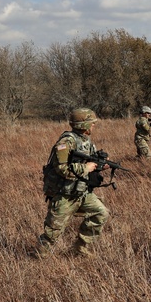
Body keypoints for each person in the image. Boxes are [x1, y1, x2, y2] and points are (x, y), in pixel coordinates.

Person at [37, 108, 110, 258]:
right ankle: (39, 256)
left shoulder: (86, 141)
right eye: (91, 123)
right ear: (83, 125)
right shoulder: (66, 142)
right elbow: (61, 168)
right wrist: (86, 167)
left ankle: (80, 248)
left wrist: (101, 165)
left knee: (101, 213)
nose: (93, 126)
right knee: (53, 232)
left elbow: (90, 162)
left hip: (82, 192)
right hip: (64, 194)